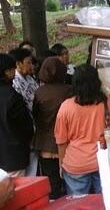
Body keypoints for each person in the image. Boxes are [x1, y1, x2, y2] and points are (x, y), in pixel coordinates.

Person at [54, 64, 110, 195]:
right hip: (102, 163)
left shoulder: (66, 107)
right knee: (103, 203)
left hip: (75, 165)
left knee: (79, 205)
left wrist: (61, 164)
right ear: (97, 82)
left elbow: (61, 141)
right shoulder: (107, 103)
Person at [33, 57, 72, 199]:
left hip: (45, 144)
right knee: (68, 186)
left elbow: (36, 117)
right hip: (66, 144)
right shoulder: (70, 90)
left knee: (51, 185)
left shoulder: (39, 92)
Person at [0, 53, 34, 177]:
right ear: (7, 71)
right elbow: (26, 127)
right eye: (13, 69)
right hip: (13, 157)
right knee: (16, 194)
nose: (15, 73)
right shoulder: (13, 97)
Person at [9, 48, 39, 113]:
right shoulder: (14, 82)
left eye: (31, 63)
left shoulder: (30, 78)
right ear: (18, 64)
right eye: (28, 63)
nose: (31, 66)